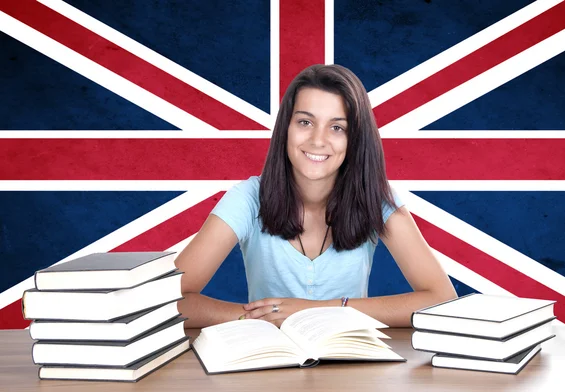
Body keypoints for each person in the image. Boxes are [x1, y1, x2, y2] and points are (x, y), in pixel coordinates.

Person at [176, 64, 457, 328]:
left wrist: (323, 310)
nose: (318, 140)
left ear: (354, 138)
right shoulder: (248, 197)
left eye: (337, 127)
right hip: (267, 364)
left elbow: (442, 299)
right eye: (305, 122)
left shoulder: (375, 198)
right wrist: (263, 318)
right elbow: (166, 301)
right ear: (285, 128)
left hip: (349, 364)